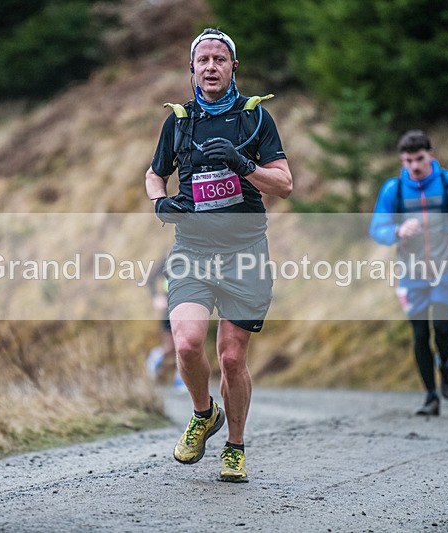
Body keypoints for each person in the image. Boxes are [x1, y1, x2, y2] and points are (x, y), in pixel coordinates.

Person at [145, 28, 292, 482]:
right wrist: (160, 203)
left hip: (244, 253)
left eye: (220, 59)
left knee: (230, 358)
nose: (211, 67)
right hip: (192, 250)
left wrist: (244, 165)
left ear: (233, 67)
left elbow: (284, 185)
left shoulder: (255, 117)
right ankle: (204, 414)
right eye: (203, 60)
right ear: (192, 68)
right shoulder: (178, 121)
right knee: (187, 343)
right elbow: (154, 174)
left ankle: (235, 446)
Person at [369, 130, 448, 416]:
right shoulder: (394, 189)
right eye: (408, 161)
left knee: (442, 330)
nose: (414, 166)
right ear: (402, 160)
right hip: (411, 274)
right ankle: (431, 397)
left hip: (445, 268)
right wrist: (397, 230)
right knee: (420, 334)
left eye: (419, 159)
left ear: (431, 155)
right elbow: (377, 228)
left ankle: (444, 364)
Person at [145, 257, 186, 391]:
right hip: (170, 307)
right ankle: (155, 358)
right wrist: (156, 297)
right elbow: (150, 279)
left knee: (186, 345)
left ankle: (181, 379)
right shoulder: (168, 258)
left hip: (188, 306)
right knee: (170, 346)